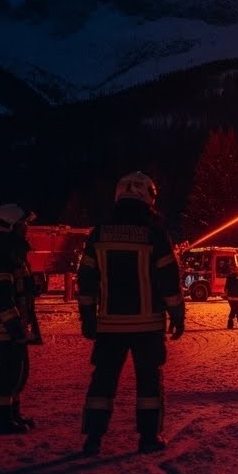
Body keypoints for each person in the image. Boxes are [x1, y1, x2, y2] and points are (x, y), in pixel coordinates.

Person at [76, 171, 185, 456]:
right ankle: (149, 438)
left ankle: (93, 439)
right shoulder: (154, 231)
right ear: (148, 196)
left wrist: (87, 316)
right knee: (148, 383)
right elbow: (169, 277)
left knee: (103, 381)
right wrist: (176, 312)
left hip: (109, 325)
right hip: (147, 325)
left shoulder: (99, 231)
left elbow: (86, 278)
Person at [0, 203, 38, 434]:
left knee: (18, 371)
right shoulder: (0, 254)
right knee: (7, 372)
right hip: (4, 326)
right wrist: (14, 325)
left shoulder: (13, 252)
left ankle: (12, 414)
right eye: (22, 224)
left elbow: (17, 288)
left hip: (15, 324)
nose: (26, 227)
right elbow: (2, 295)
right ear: (10, 226)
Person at [225, 265, 238, 329]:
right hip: (236, 297)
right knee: (236, 310)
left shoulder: (229, 278)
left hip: (230, 297)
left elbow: (226, 287)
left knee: (235, 309)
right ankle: (233, 323)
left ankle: (235, 324)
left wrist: (227, 294)